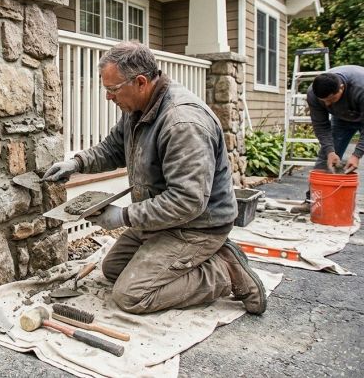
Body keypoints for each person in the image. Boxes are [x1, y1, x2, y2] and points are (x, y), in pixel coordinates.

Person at [43, 42, 266, 315]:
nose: (108, 97)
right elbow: (113, 149)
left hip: (197, 226)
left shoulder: (182, 123)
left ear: (140, 82)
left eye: (113, 89)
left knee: (131, 296)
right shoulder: (138, 108)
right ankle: (196, 260)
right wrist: (76, 163)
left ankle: (223, 271)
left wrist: (123, 216)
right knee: (113, 269)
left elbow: (187, 201)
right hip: (163, 221)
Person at [306, 65, 364, 172]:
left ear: (341, 88)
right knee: (327, 160)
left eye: (331, 99)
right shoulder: (313, 94)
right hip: (341, 118)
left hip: (360, 106)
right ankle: (321, 183)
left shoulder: (360, 87)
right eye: (323, 101)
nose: (327, 104)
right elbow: (320, 125)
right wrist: (330, 152)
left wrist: (356, 155)